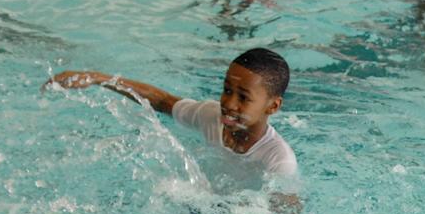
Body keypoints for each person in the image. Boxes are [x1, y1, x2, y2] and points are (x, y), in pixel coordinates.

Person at [44, 48, 298, 188]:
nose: (229, 104)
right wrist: (98, 78)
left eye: (243, 97)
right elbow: (162, 101)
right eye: (227, 90)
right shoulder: (210, 115)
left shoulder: (278, 160)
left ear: (272, 106)